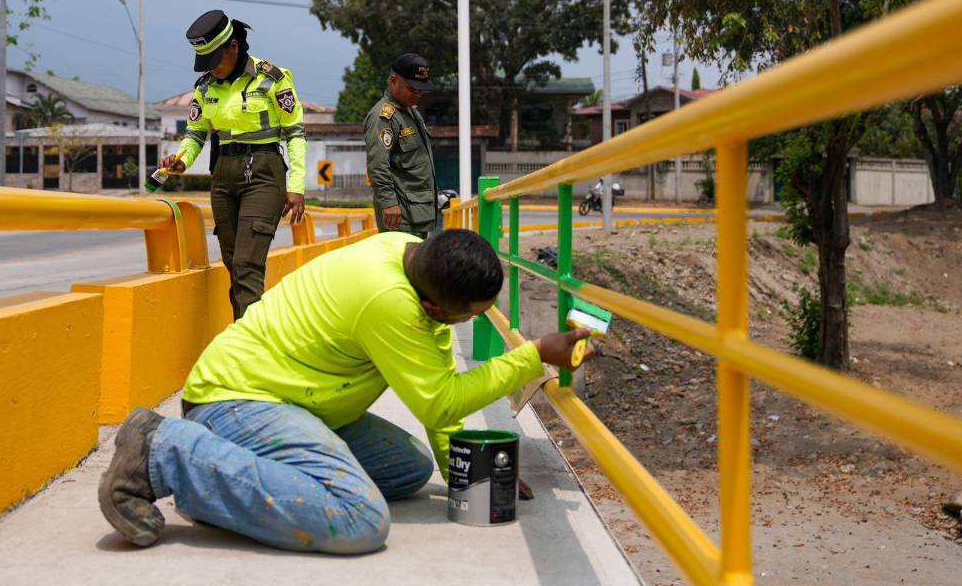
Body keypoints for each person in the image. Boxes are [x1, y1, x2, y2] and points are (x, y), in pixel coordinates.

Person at [98, 229, 593, 554]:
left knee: (410, 470)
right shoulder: (389, 302)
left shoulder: (414, 255)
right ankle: (165, 452)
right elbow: (439, 399)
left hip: (295, 401)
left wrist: (462, 471)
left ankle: (219, 479)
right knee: (360, 519)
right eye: (472, 313)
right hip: (237, 399)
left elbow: (435, 377)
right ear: (435, 307)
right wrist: (532, 356)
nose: (478, 319)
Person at [159, 10, 306, 320]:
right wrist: (181, 160)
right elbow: (196, 135)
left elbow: (294, 133)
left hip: (264, 172)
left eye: (215, 59)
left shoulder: (272, 78)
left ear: (234, 48)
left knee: (246, 265)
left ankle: (249, 347)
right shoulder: (205, 87)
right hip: (224, 175)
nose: (212, 68)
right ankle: (251, 333)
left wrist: (296, 187)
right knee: (233, 264)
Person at [364, 53, 439, 238]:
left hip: (418, 211)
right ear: (394, 81)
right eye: (412, 88)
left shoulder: (411, 114)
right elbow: (377, 165)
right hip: (400, 215)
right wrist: (389, 203)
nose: (418, 94)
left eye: (421, 90)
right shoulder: (383, 117)